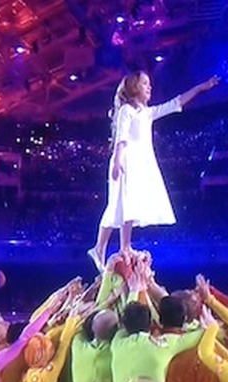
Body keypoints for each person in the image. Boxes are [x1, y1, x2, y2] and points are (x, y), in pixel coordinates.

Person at [87, 72, 219, 272]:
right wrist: (118, 161)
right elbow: (121, 137)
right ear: (134, 87)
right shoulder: (126, 110)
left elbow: (176, 102)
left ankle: (122, 246)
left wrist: (201, 87)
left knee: (129, 206)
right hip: (126, 160)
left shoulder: (146, 112)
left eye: (150, 84)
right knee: (119, 204)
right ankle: (101, 247)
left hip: (140, 162)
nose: (150, 87)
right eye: (145, 83)